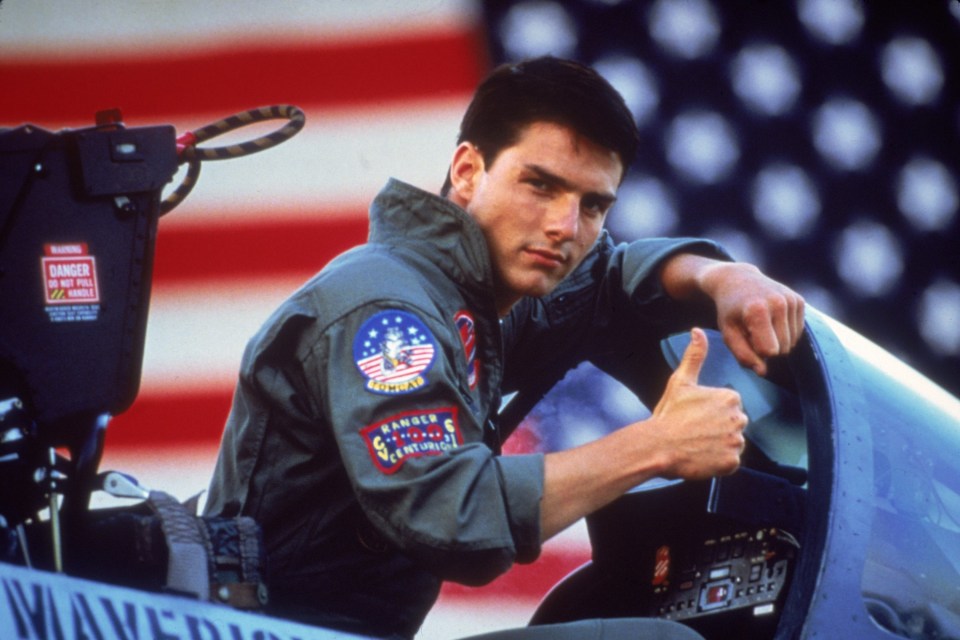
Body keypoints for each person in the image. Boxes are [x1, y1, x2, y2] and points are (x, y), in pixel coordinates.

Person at [203, 56, 804, 639]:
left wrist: (725, 278)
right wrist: (657, 446)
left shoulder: (480, 291)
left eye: (593, 204)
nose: (566, 227)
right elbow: (453, 517)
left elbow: (611, 282)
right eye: (540, 185)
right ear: (467, 171)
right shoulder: (389, 315)